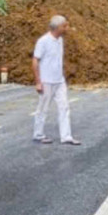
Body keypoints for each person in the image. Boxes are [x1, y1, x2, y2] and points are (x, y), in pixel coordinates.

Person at [32, 15, 81, 146]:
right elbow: (35, 60)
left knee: (64, 107)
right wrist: (38, 81)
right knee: (43, 108)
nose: (67, 28)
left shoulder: (60, 40)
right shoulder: (43, 41)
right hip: (46, 80)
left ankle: (66, 136)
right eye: (65, 26)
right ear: (58, 27)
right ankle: (38, 134)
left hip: (59, 80)